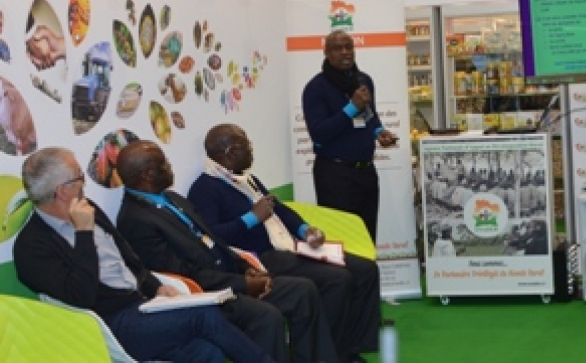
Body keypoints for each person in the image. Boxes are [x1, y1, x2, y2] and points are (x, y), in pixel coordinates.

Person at [13, 147, 272, 363]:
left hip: (144, 304)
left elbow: (127, 255)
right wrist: (83, 234)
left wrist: (156, 286)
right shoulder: (31, 248)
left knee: (207, 352)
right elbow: (81, 296)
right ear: (62, 191)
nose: (84, 183)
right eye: (79, 177)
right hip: (110, 325)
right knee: (204, 316)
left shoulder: (89, 208)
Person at [115, 140, 338, 363]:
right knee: (267, 317)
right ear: (147, 174)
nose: (169, 166)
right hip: (205, 294)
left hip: (230, 277)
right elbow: (182, 273)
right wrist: (243, 284)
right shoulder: (135, 220)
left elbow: (216, 241)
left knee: (302, 291)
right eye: (164, 164)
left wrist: (246, 268)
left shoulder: (173, 199)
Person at [188, 123, 381, 363]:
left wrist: (306, 230)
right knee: (337, 279)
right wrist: (252, 218)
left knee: (365, 270)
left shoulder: (247, 179)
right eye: (245, 145)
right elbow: (213, 237)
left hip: (290, 246)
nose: (251, 150)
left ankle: (351, 348)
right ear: (229, 152)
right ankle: (329, 356)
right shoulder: (204, 189)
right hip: (262, 258)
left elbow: (279, 209)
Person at [302, 30, 398, 241]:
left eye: (349, 47)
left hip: (366, 172)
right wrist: (351, 108)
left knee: (367, 238)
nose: (345, 52)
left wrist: (379, 132)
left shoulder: (364, 80)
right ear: (326, 53)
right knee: (341, 241)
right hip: (335, 175)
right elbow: (319, 133)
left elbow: (370, 115)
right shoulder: (316, 88)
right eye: (338, 48)